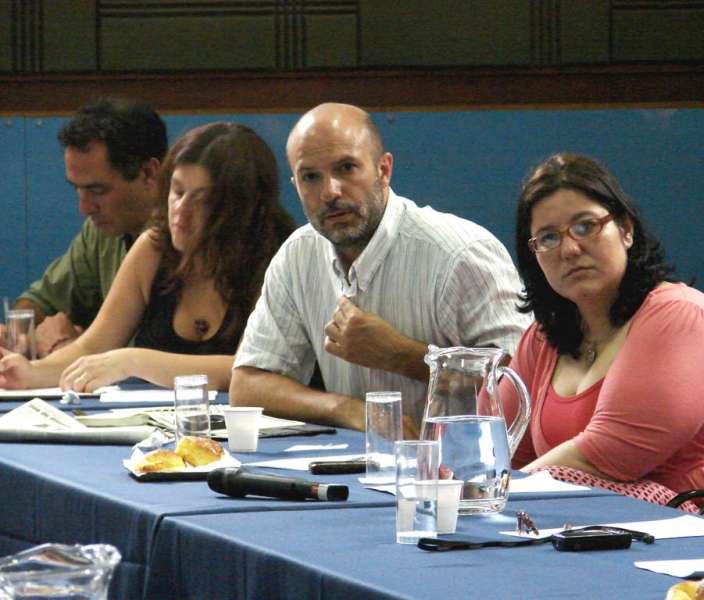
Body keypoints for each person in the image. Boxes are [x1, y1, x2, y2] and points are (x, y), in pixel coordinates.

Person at [502, 152, 704, 510]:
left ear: (626, 230)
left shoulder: (681, 316)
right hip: (610, 532)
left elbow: (608, 456)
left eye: (585, 226)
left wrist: (495, 493)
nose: (569, 249)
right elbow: (498, 455)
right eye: (548, 238)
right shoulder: (541, 340)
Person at [231, 102, 531, 432]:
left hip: (458, 460)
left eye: (347, 168)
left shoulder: (460, 254)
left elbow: (522, 385)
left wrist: (401, 355)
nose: (330, 192)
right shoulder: (298, 255)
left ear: (383, 170)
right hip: (354, 461)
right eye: (310, 177)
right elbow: (248, 386)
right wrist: (349, 410)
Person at [0, 122, 295, 391]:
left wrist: (133, 361)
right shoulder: (153, 247)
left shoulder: (279, 258)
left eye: (202, 200)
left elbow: (248, 372)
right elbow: (92, 348)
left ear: (240, 208)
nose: (181, 210)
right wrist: (29, 372)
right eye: (177, 191)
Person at [8, 97, 167, 358]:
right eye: (77, 189)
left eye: (97, 190)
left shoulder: (186, 237)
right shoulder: (102, 232)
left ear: (148, 173)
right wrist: (18, 335)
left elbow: (157, 355)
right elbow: (42, 300)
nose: (84, 207)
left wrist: (73, 347)